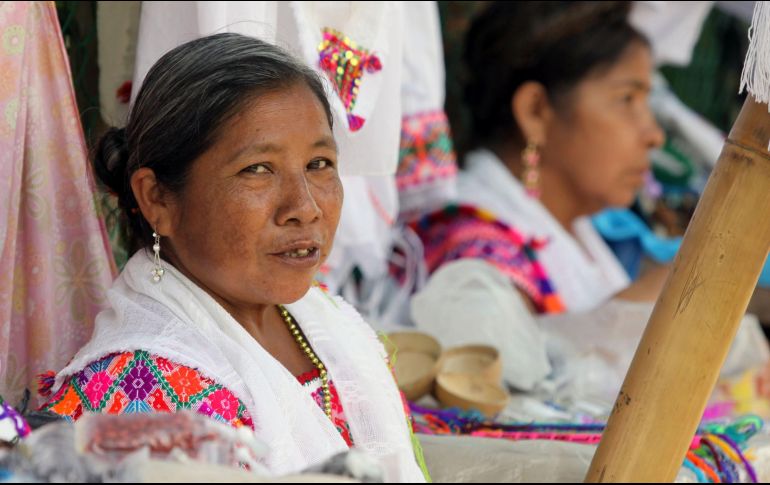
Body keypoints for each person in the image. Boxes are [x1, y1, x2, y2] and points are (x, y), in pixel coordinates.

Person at [40, 33, 426, 482]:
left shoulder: (327, 325)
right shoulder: (138, 397)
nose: (305, 206)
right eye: (257, 169)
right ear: (157, 198)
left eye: (319, 163)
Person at [409, 2, 769, 399]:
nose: (653, 134)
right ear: (535, 111)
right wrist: (666, 293)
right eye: (626, 99)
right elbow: (508, 399)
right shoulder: (469, 246)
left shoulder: (576, 231)